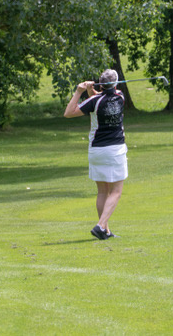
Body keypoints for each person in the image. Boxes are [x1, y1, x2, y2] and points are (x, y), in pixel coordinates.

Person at [63, 69, 127, 240]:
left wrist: (79, 91)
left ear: (101, 84)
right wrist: (88, 91)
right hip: (115, 149)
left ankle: (105, 231)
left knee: (102, 192)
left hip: (97, 150)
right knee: (116, 191)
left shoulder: (94, 101)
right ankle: (100, 225)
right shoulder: (120, 96)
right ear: (115, 84)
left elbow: (70, 112)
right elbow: (101, 98)